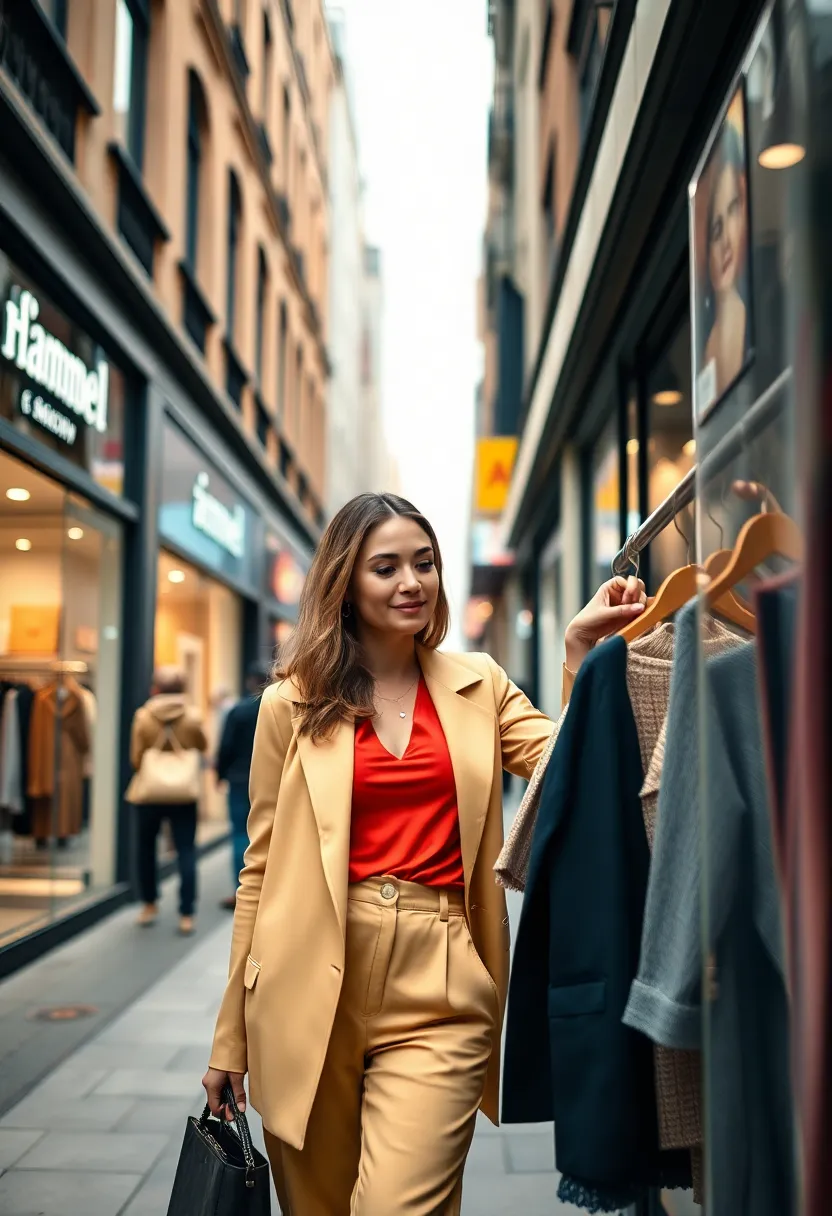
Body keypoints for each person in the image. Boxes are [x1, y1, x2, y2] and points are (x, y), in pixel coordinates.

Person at [202, 493, 648, 1216]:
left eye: (425, 563)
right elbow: (258, 868)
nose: (413, 582)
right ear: (345, 582)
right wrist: (229, 1038)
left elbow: (567, 768)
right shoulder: (291, 703)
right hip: (303, 979)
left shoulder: (480, 684)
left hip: (441, 977)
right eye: (386, 567)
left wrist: (578, 660)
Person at [129, 667, 208, 936]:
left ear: (156, 689)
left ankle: (149, 905)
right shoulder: (192, 716)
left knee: (146, 849)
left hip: (149, 792)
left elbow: (136, 756)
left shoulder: (143, 716)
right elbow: (202, 745)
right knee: (186, 849)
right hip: (184, 793)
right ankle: (186, 914)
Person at [216, 662, 271, 911]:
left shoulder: (237, 711)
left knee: (240, 833)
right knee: (268, 834)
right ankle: (267, 890)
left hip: (239, 780)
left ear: (249, 682)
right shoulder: (277, 707)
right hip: (271, 781)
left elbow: (225, 747)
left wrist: (219, 773)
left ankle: (242, 891)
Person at [701, 121, 750, 399]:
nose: (725, 244)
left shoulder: (762, 315)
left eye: (733, 209)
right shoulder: (707, 344)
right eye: (715, 229)